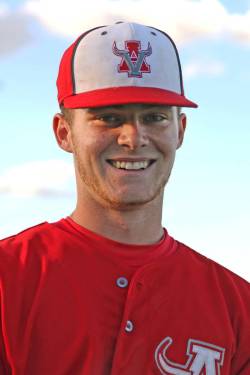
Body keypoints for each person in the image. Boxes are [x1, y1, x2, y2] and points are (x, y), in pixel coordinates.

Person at [0, 21, 249, 375]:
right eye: (108, 118)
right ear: (64, 133)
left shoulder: (237, 307)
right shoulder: (8, 278)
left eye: (155, 117)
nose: (134, 138)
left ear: (179, 131)